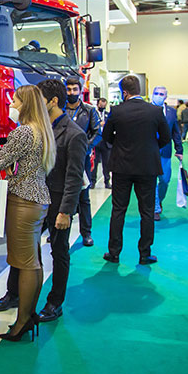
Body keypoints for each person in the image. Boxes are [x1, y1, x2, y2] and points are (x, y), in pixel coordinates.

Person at [0, 81, 86, 323]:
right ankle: (14, 294)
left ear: (53, 101)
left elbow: (74, 177)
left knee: (59, 252)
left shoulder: (74, 134)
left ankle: (54, 302)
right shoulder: (35, 127)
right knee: (22, 250)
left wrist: (66, 211)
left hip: (56, 202)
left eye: (39, 97)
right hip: (31, 199)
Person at [0, 85, 56, 342]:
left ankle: (23, 321)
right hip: (37, 200)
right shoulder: (42, 130)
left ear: (25, 104)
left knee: (26, 264)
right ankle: (28, 315)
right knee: (33, 262)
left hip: (23, 202)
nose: (12, 105)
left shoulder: (24, 131)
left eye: (15, 101)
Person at [101, 75, 170, 265]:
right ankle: (145, 253)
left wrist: (120, 146)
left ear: (124, 92)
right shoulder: (155, 111)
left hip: (121, 167)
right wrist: (151, 148)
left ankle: (114, 252)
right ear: (139, 90)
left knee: (118, 210)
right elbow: (166, 137)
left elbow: (106, 136)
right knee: (147, 211)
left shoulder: (117, 111)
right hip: (147, 167)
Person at [64, 77, 101, 247]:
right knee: (60, 195)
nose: (71, 92)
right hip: (61, 158)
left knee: (83, 197)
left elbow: (97, 132)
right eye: (69, 89)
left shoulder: (89, 110)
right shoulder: (60, 109)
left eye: (74, 89)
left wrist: (85, 146)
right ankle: (59, 231)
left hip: (82, 159)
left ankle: (86, 233)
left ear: (80, 91)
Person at [150, 87, 183, 221]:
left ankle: (159, 200)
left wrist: (179, 149)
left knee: (164, 180)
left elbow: (175, 132)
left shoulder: (171, 112)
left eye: (161, 94)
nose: (158, 96)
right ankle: (155, 208)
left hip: (165, 151)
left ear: (165, 97)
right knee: (151, 181)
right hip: (149, 151)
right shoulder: (146, 110)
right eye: (156, 93)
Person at [91, 98, 112, 189]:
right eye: (101, 105)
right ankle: (92, 181)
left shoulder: (108, 115)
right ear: (97, 104)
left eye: (104, 105)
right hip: (96, 141)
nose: (102, 106)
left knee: (106, 163)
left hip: (106, 142)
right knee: (95, 163)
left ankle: (107, 181)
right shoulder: (94, 114)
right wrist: (99, 124)